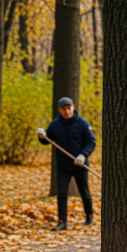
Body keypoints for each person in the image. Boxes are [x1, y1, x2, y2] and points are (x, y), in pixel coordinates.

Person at [36, 97, 97, 231]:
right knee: (62, 193)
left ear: (73, 108)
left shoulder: (83, 123)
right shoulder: (55, 124)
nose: (67, 111)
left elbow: (91, 142)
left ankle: (89, 216)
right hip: (63, 165)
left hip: (80, 164)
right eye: (64, 109)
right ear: (60, 110)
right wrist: (42, 136)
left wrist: (83, 155)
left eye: (69, 108)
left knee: (84, 192)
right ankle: (62, 222)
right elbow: (48, 140)